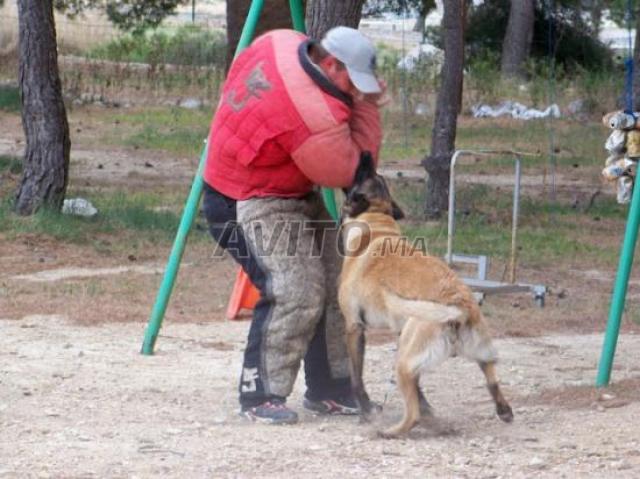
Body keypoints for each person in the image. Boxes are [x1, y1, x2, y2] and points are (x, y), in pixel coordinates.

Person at [202, 26, 385, 424]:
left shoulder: (280, 40)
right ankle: (260, 394)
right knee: (294, 288)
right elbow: (356, 171)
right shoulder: (313, 115)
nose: (358, 91)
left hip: (285, 188)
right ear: (331, 64)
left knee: (342, 284)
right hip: (243, 200)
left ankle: (333, 388)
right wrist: (369, 105)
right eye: (354, 83)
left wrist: (357, 93)